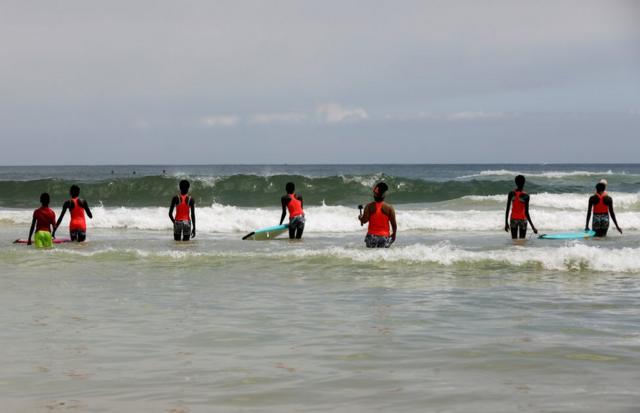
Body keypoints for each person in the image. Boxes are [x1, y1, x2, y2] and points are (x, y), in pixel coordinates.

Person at [358, 182, 397, 248]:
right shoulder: (389, 208)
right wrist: (394, 234)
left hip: (371, 237)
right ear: (383, 195)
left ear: (374, 195)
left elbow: (364, 220)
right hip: (384, 237)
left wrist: (360, 218)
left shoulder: (369, 206)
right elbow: (394, 224)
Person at [504, 175, 538, 239]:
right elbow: (526, 213)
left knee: (514, 240)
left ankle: (514, 249)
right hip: (523, 219)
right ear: (524, 182)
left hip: (513, 219)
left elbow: (507, 209)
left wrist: (506, 223)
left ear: (515, 182)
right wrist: (533, 227)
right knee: (522, 241)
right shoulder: (526, 195)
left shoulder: (511, 193)